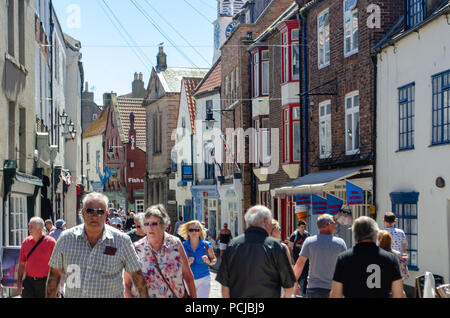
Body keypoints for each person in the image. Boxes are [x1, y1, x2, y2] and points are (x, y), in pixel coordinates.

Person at [46, 192, 148, 298]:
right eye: (90, 211)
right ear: (83, 213)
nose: (95, 216)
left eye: (100, 211)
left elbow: (139, 279)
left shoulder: (122, 240)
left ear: (106, 214)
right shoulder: (66, 238)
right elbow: (53, 277)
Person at [216, 205, 296, 298]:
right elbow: (289, 285)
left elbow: (225, 286)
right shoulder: (275, 246)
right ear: (266, 221)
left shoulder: (232, 245)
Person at [124, 204, 197, 298]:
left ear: (164, 225)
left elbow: (189, 277)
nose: (150, 227)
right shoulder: (136, 248)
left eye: (154, 224)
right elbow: (126, 285)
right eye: (146, 224)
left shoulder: (175, 244)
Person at [330, 216, 404, 298]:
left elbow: (335, 294)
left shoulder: (343, 258)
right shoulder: (390, 259)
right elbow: (398, 294)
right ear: (376, 234)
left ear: (355, 234)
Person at [293, 214, 347, 298]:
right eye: (333, 223)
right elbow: (345, 267)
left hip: (313, 288)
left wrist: (294, 282)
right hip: (333, 289)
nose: (335, 226)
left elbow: (299, 264)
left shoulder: (309, 242)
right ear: (328, 225)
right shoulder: (340, 243)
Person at [17, 217, 56, 298]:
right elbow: (21, 264)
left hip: (45, 282)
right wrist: (19, 282)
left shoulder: (51, 242)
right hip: (29, 282)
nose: (29, 229)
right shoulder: (26, 242)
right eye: (29, 226)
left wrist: (57, 285)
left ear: (40, 228)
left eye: (31, 226)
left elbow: (57, 265)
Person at [178, 220, 216, 298]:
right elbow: (178, 265)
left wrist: (209, 262)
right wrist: (187, 263)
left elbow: (214, 260)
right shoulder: (183, 246)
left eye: (197, 230)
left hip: (204, 279)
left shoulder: (206, 245)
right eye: (191, 230)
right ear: (188, 232)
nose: (194, 232)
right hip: (188, 280)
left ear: (200, 232)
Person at [288, 221, 310, 295]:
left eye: (304, 227)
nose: (303, 229)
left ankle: (304, 292)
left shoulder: (307, 235)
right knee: (298, 276)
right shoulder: (294, 235)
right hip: (296, 258)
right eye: (302, 227)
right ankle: (296, 292)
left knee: (306, 274)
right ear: (298, 227)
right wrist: (291, 259)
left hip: (305, 258)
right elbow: (290, 248)